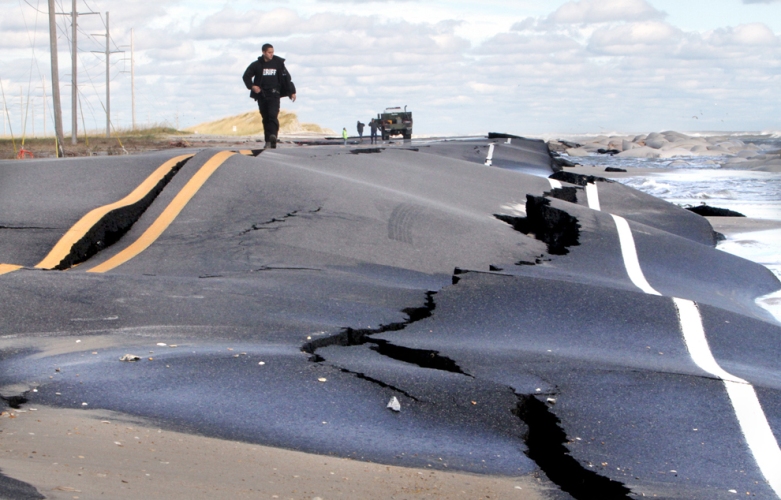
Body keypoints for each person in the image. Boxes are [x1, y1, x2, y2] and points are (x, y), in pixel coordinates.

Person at [242, 44, 296, 149]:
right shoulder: (257, 65)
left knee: (272, 115)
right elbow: (246, 76)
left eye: (272, 52)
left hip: (274, 94)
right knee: (265, 117)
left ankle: (273, 137)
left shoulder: (278, 63)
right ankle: (268, 140)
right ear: (264, 52)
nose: (271, 54)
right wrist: (252, 86)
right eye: (269, 52)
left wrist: (291, 92)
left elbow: (286, 78)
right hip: (262, 95)